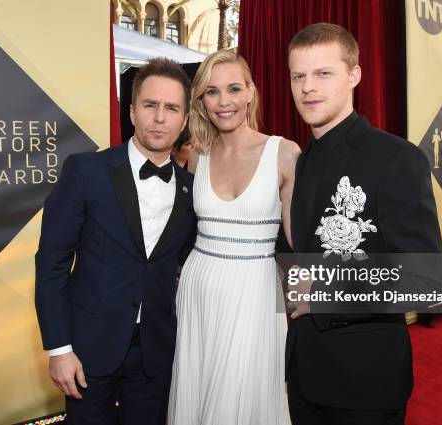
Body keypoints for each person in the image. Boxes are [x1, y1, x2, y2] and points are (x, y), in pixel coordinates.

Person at [285, 23, 442, 425]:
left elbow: (425, 281)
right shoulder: (304, 160)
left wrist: (320, 291)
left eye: (323, 74)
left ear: (353, 75)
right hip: (304, 375)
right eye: (298, 76)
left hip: (364, 383)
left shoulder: (396, 158)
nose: (308, 88)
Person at [34, 58, 197, 425]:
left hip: (156, 354)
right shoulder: (86, 171)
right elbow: (51, 262)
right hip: (88, 348)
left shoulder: (191, 190)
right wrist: (59, 349)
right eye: (150, 105)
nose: (160, 117)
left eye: (171, 108)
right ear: (132, 112)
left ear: (184, 120)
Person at [167, 49, 301, 425]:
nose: (223, 101)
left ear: (250, 93)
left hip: (255, 289)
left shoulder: (285, 153)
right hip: (199, 286)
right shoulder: (196, 156)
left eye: (233, 89)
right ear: (201, 101)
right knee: (199, 389)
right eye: (211, 92)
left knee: (243, 395)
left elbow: (300, 238)